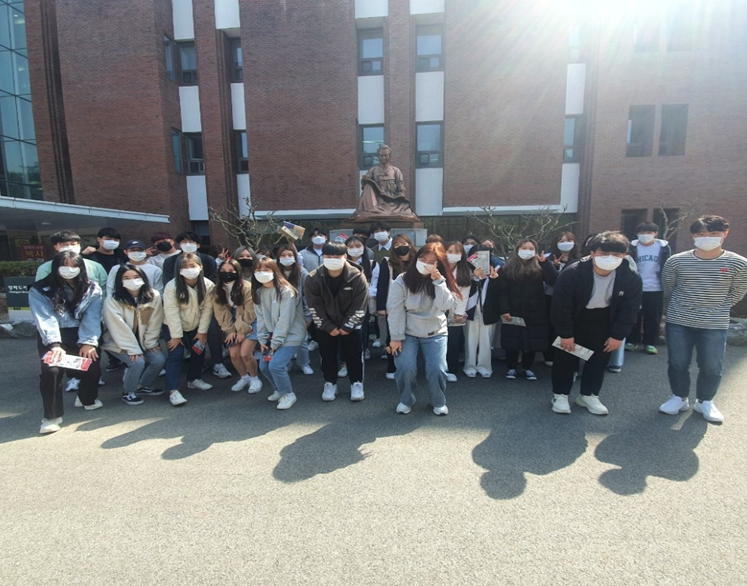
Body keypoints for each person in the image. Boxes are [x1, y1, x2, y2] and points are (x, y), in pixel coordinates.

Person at [659, 215, 747, 423]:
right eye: (701, 234)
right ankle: (679, 397)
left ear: (725, 234)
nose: (707, 237)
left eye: (713, 233)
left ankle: (705, 401)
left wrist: (717, 307)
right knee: (678, 362)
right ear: (693, 236)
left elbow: (738, 291)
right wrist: (683, 305)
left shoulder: (738, 263)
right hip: (679, 320)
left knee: (712, 365)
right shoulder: (677, 261)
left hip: (714, 323)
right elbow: (669, 288)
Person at [550, 232, 642, 415]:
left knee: (599, 359)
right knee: (566, 358)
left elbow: (630, 309)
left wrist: (618, 335)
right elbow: (561, 306)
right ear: (592, 253)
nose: (610, 258)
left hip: (604, 319)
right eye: (604, 253)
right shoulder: (573, 272)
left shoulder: (630, 276)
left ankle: (589, 395)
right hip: (576, 318)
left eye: (616, 254)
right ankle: (560, 395)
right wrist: (566, 333)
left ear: (624, 255)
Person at [29, 251, 103, 434]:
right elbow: (45, 318)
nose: (69, 269)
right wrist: (54, 344)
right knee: (52, 372)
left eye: (74, 266)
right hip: (53, 335)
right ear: (56, 267)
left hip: (81, 333)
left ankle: (86, 398)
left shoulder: (92, 288)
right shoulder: (40, 288)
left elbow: (92, 316)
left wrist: (88, 342)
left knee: (91, 366)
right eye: (64, 265)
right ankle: (51, 417)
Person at [387, 243, 461, 415]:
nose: (426, 264)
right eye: (423, 259)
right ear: (416, 258)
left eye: (432, 261)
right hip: (408, 331)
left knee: (437, 369)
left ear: (439, 264)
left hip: (436, 330)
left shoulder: (444, 279)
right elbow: (395, 310)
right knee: (405, 368)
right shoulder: (402, 280)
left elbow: (445, 305)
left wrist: (439, 282)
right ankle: (406, 399)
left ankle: (438, 401)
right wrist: (396, 337)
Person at [305, 242, 369, 402]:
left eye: (337, 256)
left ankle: (356, 383)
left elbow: (360, 305)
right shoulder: (313, 278)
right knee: (327, 355)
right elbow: (314, 305)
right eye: (328, 256)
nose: (332, 259)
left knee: (354, 355)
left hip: (352, 324)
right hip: (325, 325)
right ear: (323, 257)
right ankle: (330, 383)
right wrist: (328, 326)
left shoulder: (357, 276)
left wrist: (348, 326)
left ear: (345, 256)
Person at [102, 264, 166, 405]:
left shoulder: (153, 295)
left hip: (143, 339)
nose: (132, 281)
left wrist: (150, 343)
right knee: (137, 362)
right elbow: (118, 328)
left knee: (159, 360)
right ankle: (129, 392)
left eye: (136, 277)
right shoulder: (112, 300)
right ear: (120, 281)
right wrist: (133, 349)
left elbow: (154, 321)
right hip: (118, 342)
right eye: (126, 278)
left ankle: (143, 386)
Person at [494, 239, 558, 381]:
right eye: (524, 248)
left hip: (535, 311)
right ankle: (511, 367)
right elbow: (502, 291)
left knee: (532, 340)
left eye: (531, 248)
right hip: (513, 309)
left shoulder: (539, 267)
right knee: (512, 340)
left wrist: (545, 263)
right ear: (517, 249)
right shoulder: (507, 268)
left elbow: (553, 280)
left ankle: (527, 368)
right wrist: (504, 309)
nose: (527, 251)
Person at [253, 258, 308, 410]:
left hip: (291, 335)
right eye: (258, 270)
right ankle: (279, 389)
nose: (262, 273)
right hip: (272, 336)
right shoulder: (258, 292)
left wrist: (275, 342)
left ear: (274, 271)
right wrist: (262, 339)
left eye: (266, 270)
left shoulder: (286, 291)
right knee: (264, 366)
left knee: (276, 366)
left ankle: (288, 394)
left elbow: (285, 319)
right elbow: (260, 318)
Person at [162, 253, 216, 406]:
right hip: (173, 326)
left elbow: (207, 310)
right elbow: (171, 312)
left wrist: (202, 332)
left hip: (196, 325)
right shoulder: (172, 286)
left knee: (198, 350)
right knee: (176, 354)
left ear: (200, 267)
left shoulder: (208, 285)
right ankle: (173, 390)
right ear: (179, 270)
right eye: (185, 267)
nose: (189, 269)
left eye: (193, 266)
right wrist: (176, 336)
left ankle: (194, 379)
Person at [211, 259, 263, 393]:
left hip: (250, 321)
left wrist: (241, 331)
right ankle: (244, 377)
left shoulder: (247, 287)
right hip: (232, 323)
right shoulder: (217, 290)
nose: (227, 273)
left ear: (237, 272)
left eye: (230, 271)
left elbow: (250, 312)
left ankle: (255, 378)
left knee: (245, 353)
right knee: (234, 354)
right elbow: (220, 312)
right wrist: (230, 331)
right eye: (223, 271)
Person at [626, 222, 671, 355]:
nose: (645, 235)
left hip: (656, 288)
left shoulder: (663, 247)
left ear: (655, 233)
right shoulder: (632, 247)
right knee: (634, 316)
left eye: (649, 233)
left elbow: (667, 265)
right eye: (642, 233)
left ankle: (650, 343)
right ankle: (632, 341)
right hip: (636, 288)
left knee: (653, 317)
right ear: (637, 234)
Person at [374, 234, 415, 379]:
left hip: (413, 305)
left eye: (403, 243)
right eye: (396, 245)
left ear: (410, 245)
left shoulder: (418, 261)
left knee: (411, 337)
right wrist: (381, 307)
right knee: (393, 336)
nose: (400, 247)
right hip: (393, 305)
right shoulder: (388, 262)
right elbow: (382, 285)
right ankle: (392, 366)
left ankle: (409, 367)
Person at [350, 144, 419, 222]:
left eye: (386, 156)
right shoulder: (373, 170)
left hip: (392, 200)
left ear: (390, 156)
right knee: (368, 186)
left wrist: (400, 195)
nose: (383, 158)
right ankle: (373, 210)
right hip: (377, 200)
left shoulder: (396, 170)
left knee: (406, 211)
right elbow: (366, 185)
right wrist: (365, 180)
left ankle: (387, 212)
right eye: (381, 156)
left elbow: (400, 185)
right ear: (378, 156)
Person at [543, 232, 581, 366]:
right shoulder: (547, 259)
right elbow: (550, 280)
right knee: (550, 327)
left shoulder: (579, 260)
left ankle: (569, 357)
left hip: (571, 300)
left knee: (569, 328)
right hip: (550, 297)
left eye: (569, 240)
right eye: (562, 241)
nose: (565, 243)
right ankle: (549, 355)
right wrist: (553, 267)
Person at [276, 243, 313, 375]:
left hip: (299, 312)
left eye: (290, 255)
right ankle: (286, 363)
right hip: (279, 312)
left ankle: (304, 363)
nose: (286, 258)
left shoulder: (302, 273)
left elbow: (307, 296)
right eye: (283, 255)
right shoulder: (275, 273)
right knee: (282, 339)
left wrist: (308, 315)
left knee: (302, 340)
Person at [463, 245, 500, 378]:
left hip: (488, 311)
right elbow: (463, 290)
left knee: (486, 340)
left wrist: (494, 279)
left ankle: (485, 366)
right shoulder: (465, 271)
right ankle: (470, 366)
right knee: (470, 340)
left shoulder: (495, 270)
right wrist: (474, 277)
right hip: (470, 310)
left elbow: (499, 292)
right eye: (475, 255)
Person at [36, 230, 108, 290]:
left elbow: (105, 289)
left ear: (79, 246)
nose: (69, 247)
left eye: (73, 244)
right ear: (56, 247)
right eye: (64, 245)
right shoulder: (45, 268)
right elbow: (41, 290)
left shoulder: (95, 266)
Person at [444, 242, 472, 382]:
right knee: (437, 342)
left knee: (453, 342)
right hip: (438, 310)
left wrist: (460, 312)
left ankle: (451, 369)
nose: (453, 254)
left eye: (457, 252)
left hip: (455, 311)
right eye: (450, 251)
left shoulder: (465, 271)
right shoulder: (439, 268)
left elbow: (464, 295)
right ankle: (437, 368)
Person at [346, 236, 377, 360]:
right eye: (351, 247)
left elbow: (375, 284)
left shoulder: (372, 264)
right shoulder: (341, 264)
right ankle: (345, 359)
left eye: (358, 246)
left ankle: (363, 350)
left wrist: (362, 294)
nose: (354, 249)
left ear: (364, 247)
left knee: (362, 329)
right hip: (344, 303)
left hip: (364, 303)